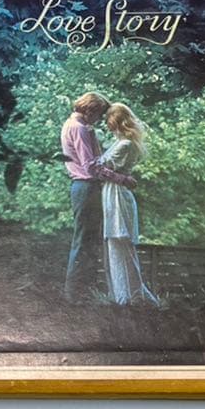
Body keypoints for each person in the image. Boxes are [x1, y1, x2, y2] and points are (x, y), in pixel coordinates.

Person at [60, 93, 136, 303]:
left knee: (88, 240)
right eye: (100, 114)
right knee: (84, 241)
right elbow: (91, 167)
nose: (101, 119)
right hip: (86, 187)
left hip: (84, 188)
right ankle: (76, 294)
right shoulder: (79, 128)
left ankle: (82, 292)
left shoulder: (75, 126)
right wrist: (122, 179)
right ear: (90, 110)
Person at [97, 103, 160, 306]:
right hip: (114, 192)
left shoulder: (124, 145)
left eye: (108, 120)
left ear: (115, 120)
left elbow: (99, 168)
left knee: (119, 245)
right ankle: (130, 296)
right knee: (117, 246)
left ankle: (126, 297)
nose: (106, 124)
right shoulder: (121, 142)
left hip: (117, 195)